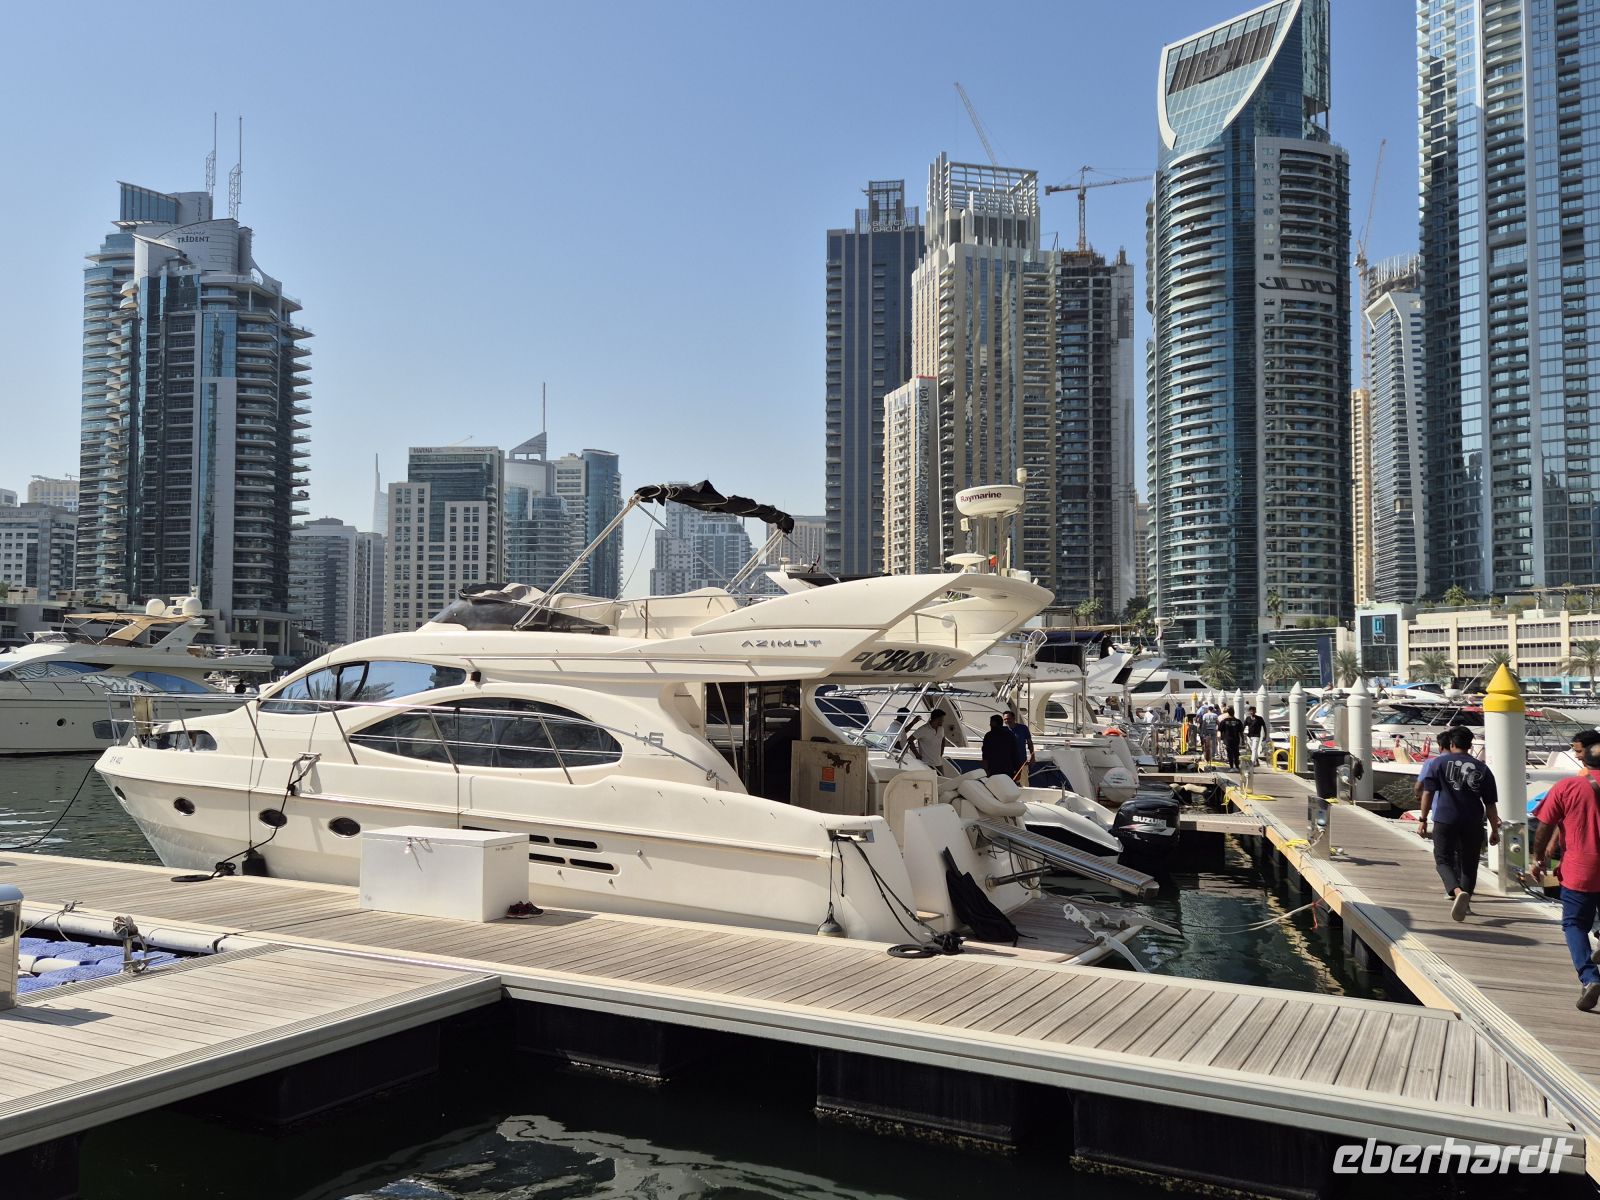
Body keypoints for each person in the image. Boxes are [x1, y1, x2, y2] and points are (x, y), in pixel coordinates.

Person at [1530, 728, 1600, 1012]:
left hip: (1580, 869)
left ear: (1586, 760)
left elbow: (1544, 826)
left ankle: (1589, 978)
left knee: (1575, 925)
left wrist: (1539, 859)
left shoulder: (1568, 786)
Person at [1416, 727, 1502, 922]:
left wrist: (1422, 820)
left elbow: (1428, 792)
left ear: (1451, 744)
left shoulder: (1438, 763)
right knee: (1469, 865)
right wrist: (1495, 829)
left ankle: (1456, 891)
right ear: (1470, 746)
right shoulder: (1483, 769)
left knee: (1443, 859)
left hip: (1445, 818)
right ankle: (1466, 903)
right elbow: (1490, 803)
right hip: (1473, 821)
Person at [910, 708, 953, 776]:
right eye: (942, 719)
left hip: (938, 762)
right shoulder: (923, 729)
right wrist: (917, 755)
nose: (943, 721)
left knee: (942, 781)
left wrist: (942, 751)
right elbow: (909, 740)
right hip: (926, 763)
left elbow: (943, 739)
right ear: (936, 719)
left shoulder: (941, 728)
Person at [981, 714, 1023, 779]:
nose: (990, 724)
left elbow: (985, 754)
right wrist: (1018, 770)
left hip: (993, 769)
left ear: (994, 723)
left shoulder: (989, 735)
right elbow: (1015, 753)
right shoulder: (1009, 734)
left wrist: (985, 770)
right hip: (1008, 769)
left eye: (991, 722)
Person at [1002, 710, 1035, 784]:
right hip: (1008, 763)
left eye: (1009, 718)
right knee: (1009, 783)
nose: (1007, 720)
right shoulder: (1002, 730)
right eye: (1005, 719)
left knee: (1024, 783)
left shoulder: (1023, 728)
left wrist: (1032, 756)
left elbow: (1029, 742)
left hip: (1022, 761)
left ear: (1014, 718)